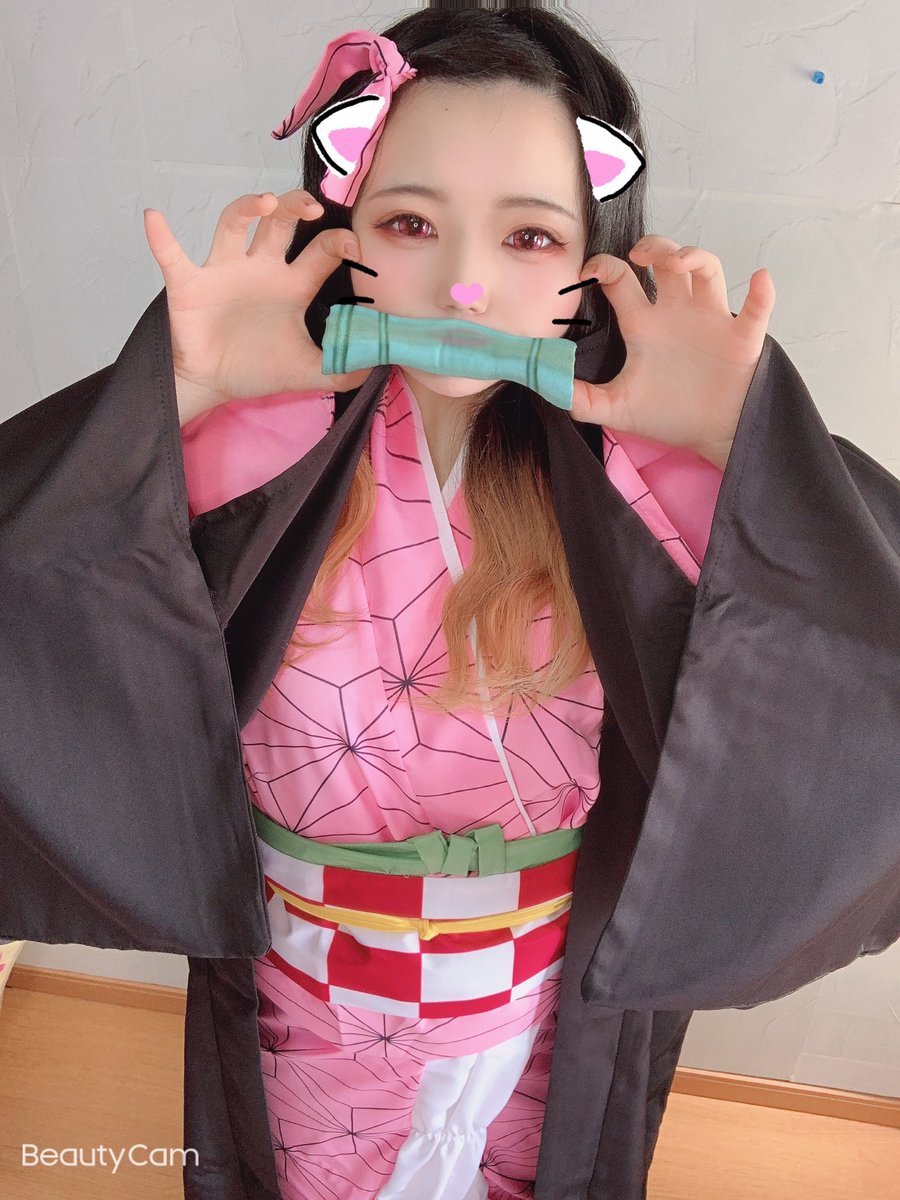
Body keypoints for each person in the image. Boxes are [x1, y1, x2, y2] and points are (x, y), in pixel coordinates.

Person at [1, 6, 898, 1200]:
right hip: (312, 987)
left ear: (594, 258)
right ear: (341, 225)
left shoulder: (640, 465)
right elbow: (39, 614)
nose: (465, 285)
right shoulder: (260, 438)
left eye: (529, 236)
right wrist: (176, 402)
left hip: (543, 989)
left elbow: (855, 673)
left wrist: (733, 446)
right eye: (411, 222)